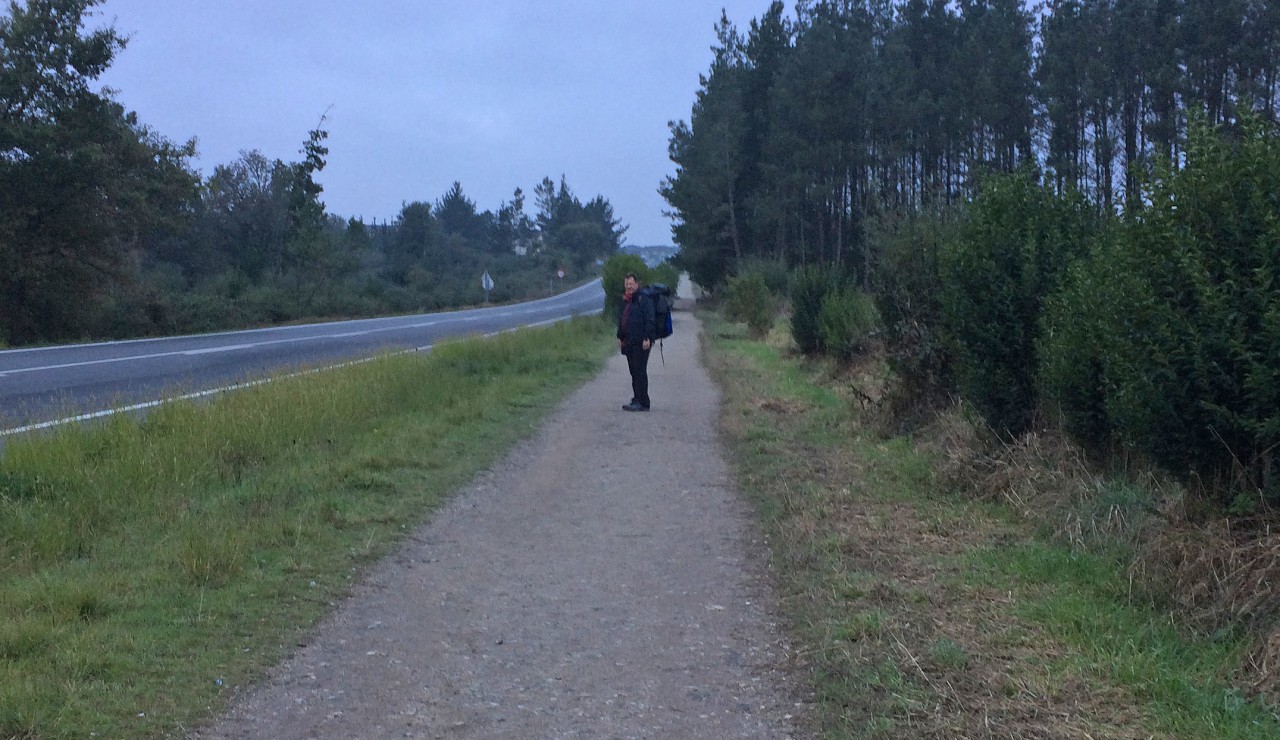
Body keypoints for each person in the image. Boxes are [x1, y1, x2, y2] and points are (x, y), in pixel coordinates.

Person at [616, 272, 656, 411]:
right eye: (627, 284)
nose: (629, 286)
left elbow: (650, 319)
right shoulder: (627, 300)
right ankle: (637, 398)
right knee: (634, 371)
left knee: (640, 371)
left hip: (641, 342)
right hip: (629, 342)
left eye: (631, 284)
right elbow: (622, 320)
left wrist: (647, 338)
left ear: (636, 284)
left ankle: (643, 402)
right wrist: (620, 337)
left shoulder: (644, 299)